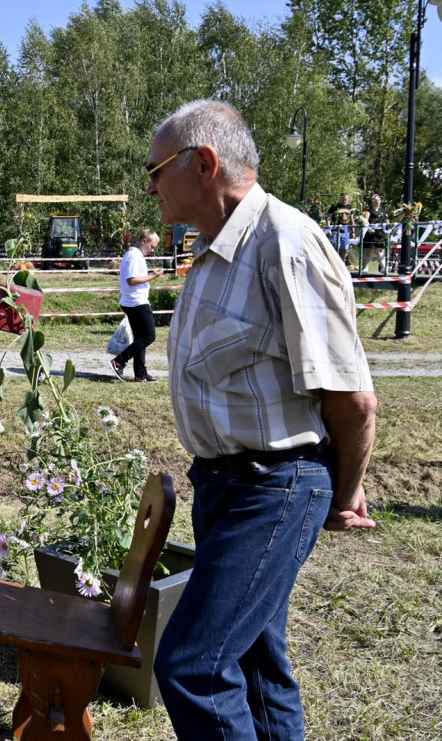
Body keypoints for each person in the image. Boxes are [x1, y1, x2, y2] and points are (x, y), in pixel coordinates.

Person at [144, 100, 377, 739]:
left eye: (155, 169)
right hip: (225, 488)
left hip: (273, 488)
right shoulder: (217, 249)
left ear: (204, 162)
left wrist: (345, 488)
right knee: (253, 663)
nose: (150, 185)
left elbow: (352, 399)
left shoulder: (286, 243)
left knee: (192, 664)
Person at [109, 229, 163, 382]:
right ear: (144, 241)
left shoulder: (134, 255)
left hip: (132, 301)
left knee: (140, 337)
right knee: (149, 336)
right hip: (136, 302)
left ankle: (140, 373)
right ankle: (119, 361)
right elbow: (131, 280)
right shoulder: (134, 255)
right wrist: (153, 276)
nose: (152, 251)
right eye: (152, 247)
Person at [362, 193, 389, 273]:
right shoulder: (368, 211)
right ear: (372, 201)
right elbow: (365, 220)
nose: (377, 202)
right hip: (371, 233)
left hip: (381, 233)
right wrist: (369, 228)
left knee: (380, 250)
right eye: (375, 200)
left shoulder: (384, 211)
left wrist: (388, 229)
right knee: (368, 251)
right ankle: (365, 268)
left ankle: (384, 267)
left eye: (378, 200)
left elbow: (387, 221)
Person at [327, 192, 355, 264]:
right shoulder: (334, 207)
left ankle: (341, 262)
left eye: (345, 199)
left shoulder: (350, 207)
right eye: (343, 199)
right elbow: (328, 218)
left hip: (346, 231)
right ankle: (333, 262)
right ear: (340, 198)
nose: (344, 201)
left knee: (344, 248)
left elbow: (352, 220)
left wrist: (353, 231)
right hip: (336, 230)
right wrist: (329, 229)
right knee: (335, 246)